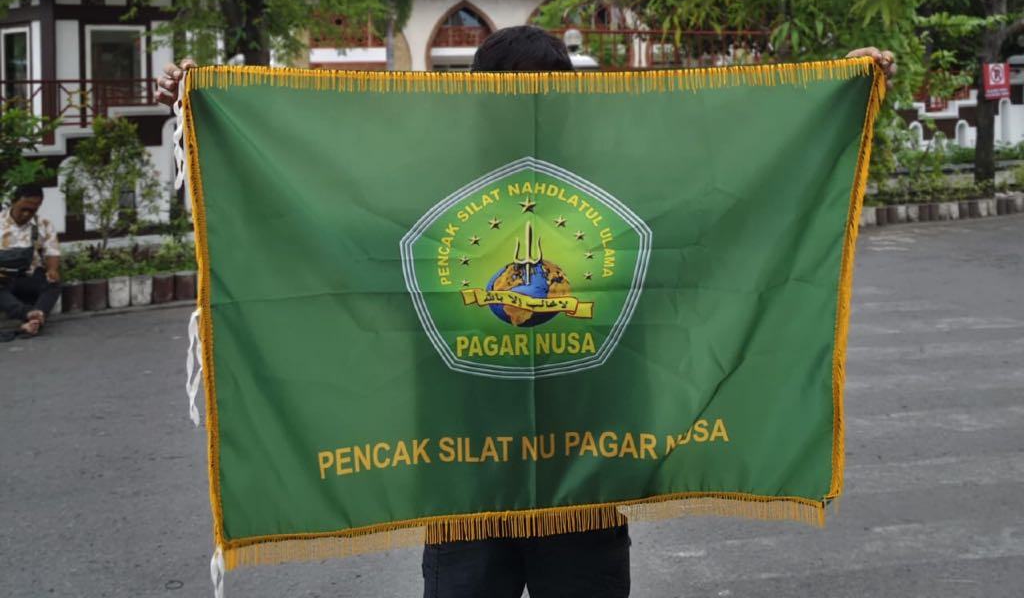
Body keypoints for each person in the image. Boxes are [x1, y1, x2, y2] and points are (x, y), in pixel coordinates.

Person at [155, 31, 895, 598]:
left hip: (586, 470)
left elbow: (723, 197)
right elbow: (323, 214)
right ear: (475, 99)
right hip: (462, 475)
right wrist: (207, 115)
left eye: (540, 93)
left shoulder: (618, 184)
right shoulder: (424, 186)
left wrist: (841, 93)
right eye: (508, 94)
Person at [0, 183, 62, 337]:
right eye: (24, 208)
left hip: (29, 276)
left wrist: (52, 270)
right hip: (3, 279)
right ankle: (32, 316)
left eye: (33, 210)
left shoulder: (43, 225)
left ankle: (34, 317)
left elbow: (52, 251)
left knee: (52, 284)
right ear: (14, 201)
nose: (27, 214)